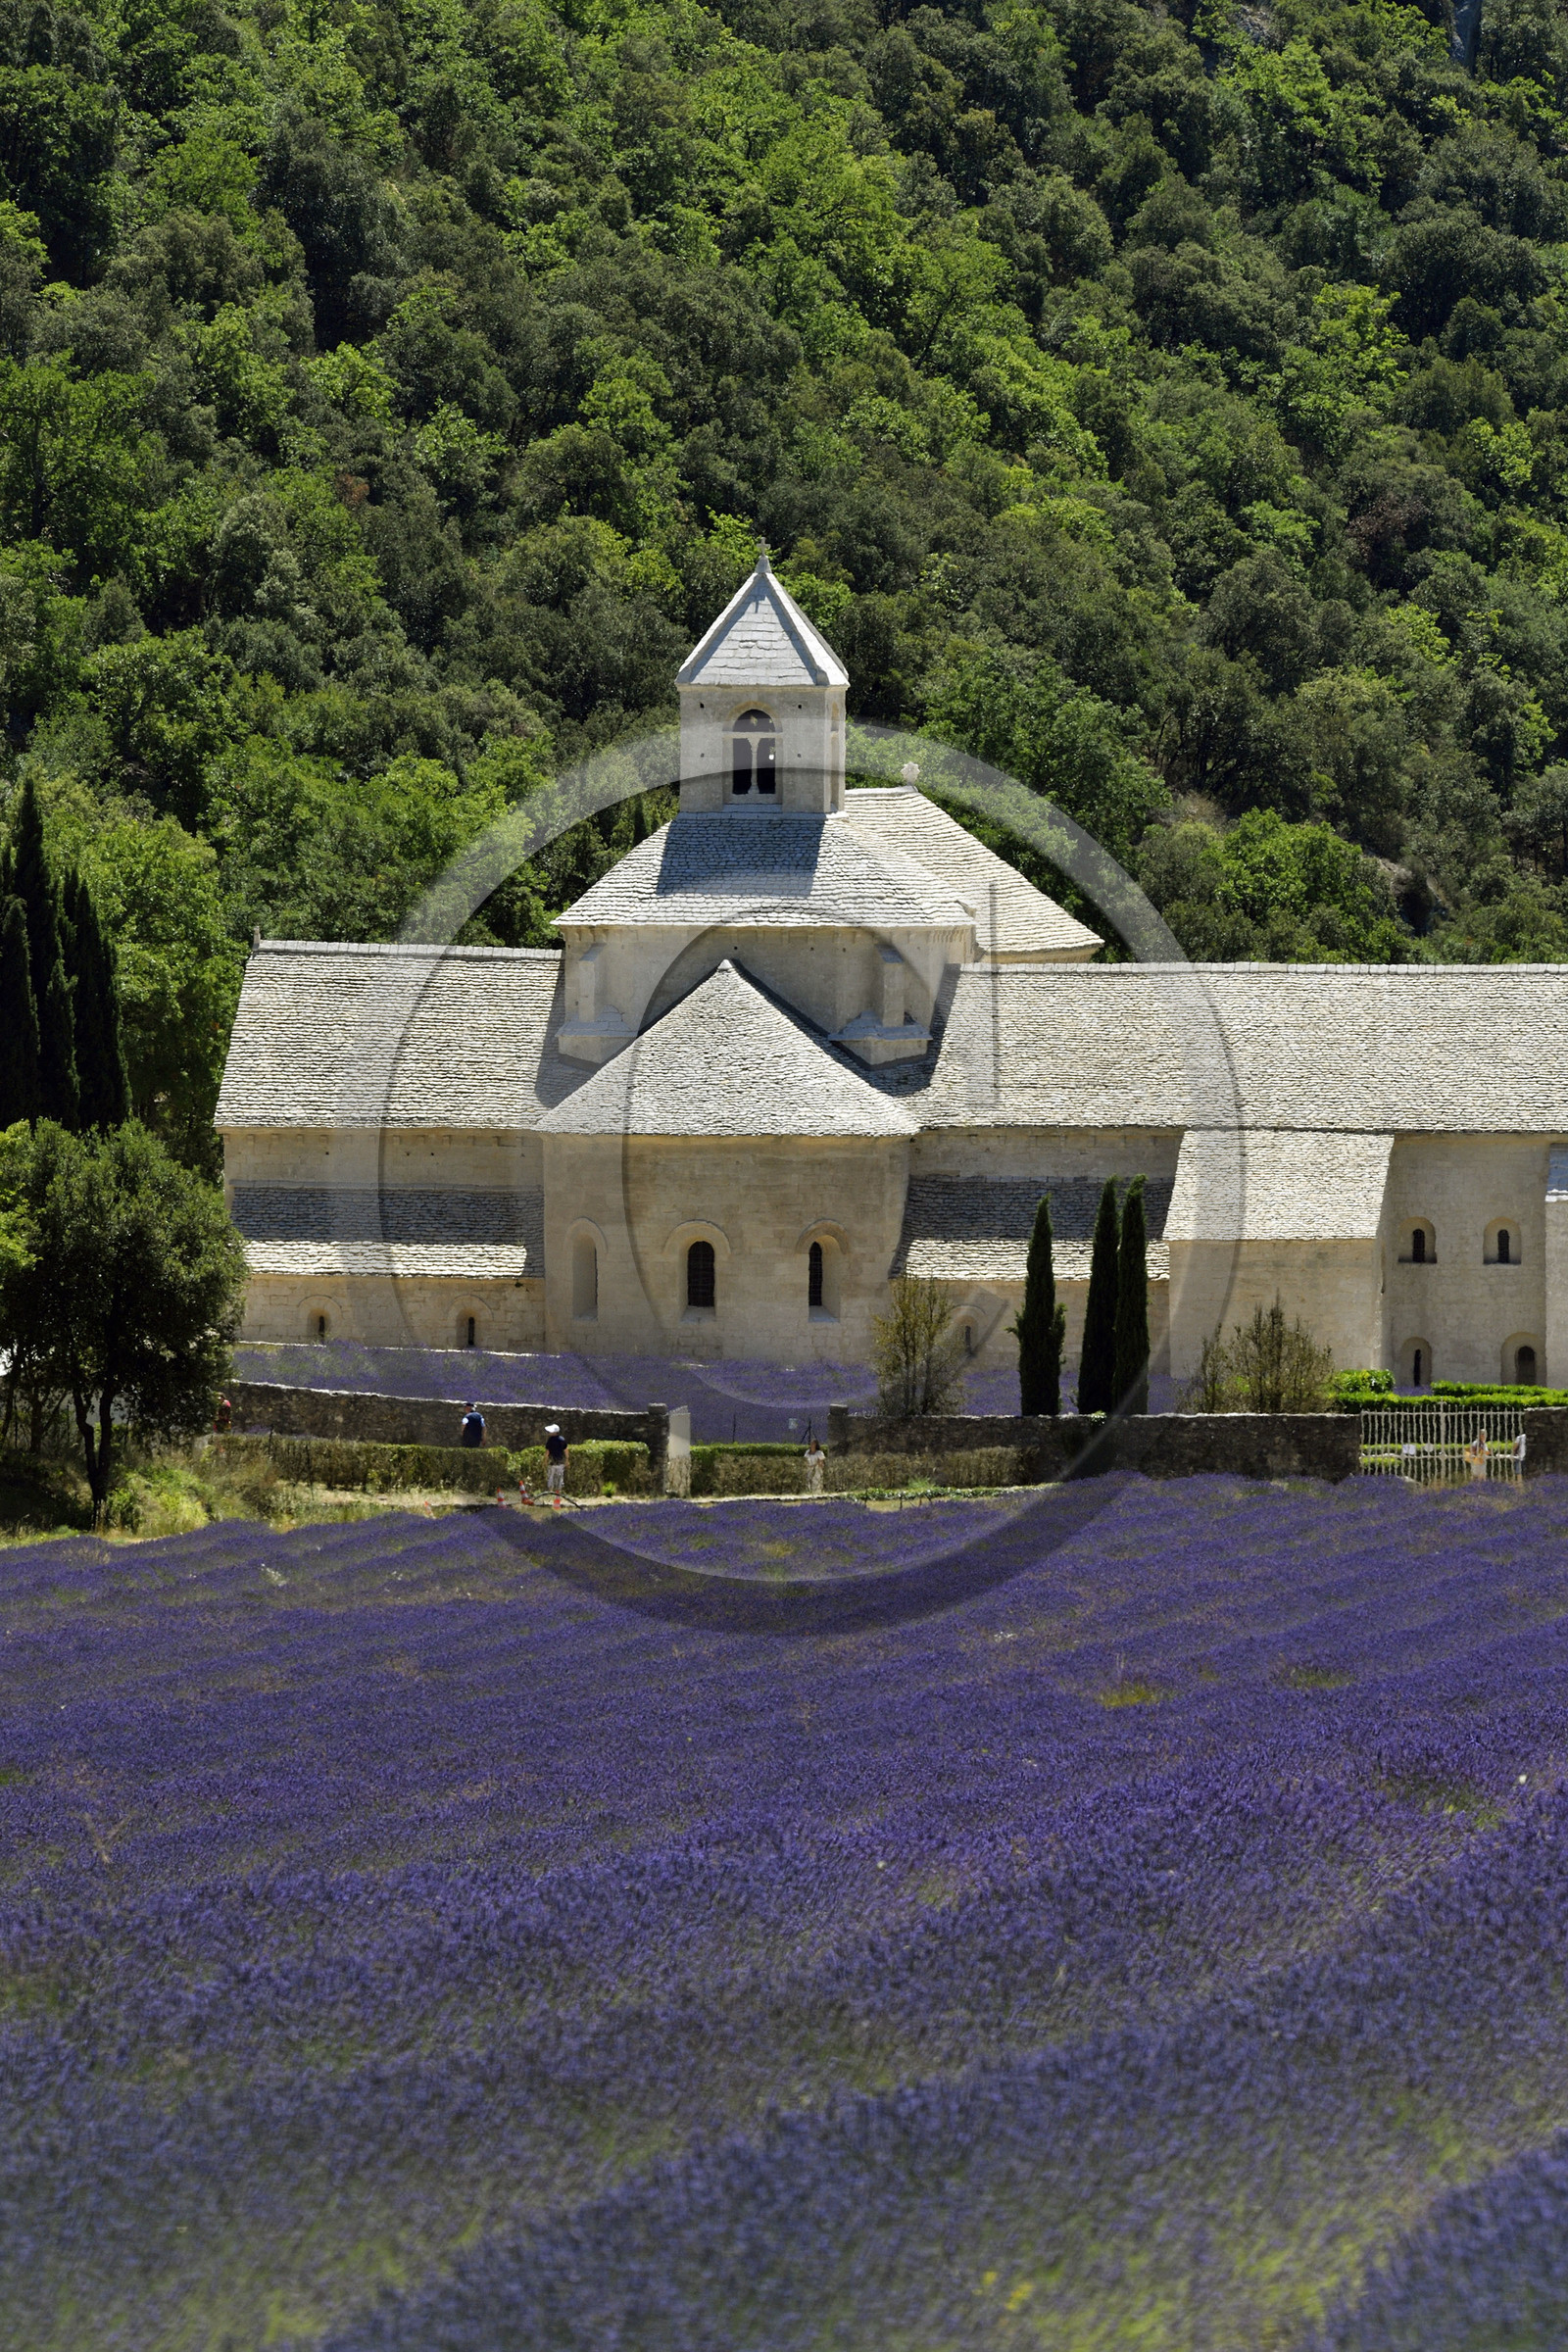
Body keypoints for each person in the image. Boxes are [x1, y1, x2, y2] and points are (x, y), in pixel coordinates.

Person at [544, 1422, 568, 1506]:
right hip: (560, 1462)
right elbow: (566, 1450)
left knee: (550, 1477)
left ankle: (550, 1492)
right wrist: (567, 1460)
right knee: (560, 1477)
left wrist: (545, 1461)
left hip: (552, 1462)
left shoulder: (550, 1440)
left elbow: (547, 1452)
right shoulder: (562, 1439)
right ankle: (558, 1493)